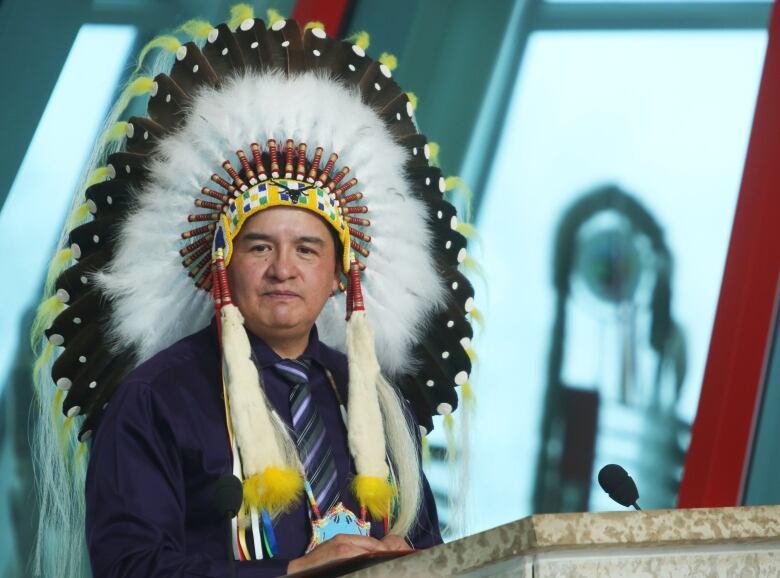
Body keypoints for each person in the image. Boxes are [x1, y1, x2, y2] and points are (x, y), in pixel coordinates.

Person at [32, 10, 475, 578]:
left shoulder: (381, 405)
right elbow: (129, 566)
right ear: (221, 266)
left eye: (308, 250)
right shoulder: (155, 398)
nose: (283, 270)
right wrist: (294, 571)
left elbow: (428, 558)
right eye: (260, 247)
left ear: (342, 274)